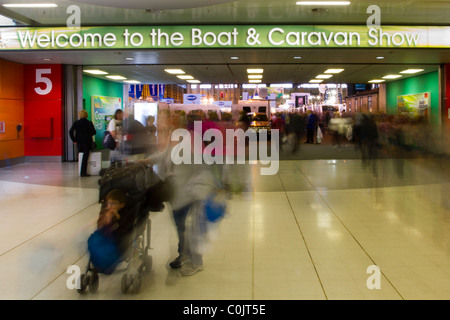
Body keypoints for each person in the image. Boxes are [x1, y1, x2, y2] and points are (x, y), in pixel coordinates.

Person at [69, 110, 96, 177]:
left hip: (79, 142)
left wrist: (74, 140)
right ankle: (83, 172)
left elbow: (70, 131)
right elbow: (93, 132)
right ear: (86, 115)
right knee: (85, 156)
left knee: (80, 155)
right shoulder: (89, 123)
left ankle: (80, 170)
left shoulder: (76, 123)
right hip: (87, 141)